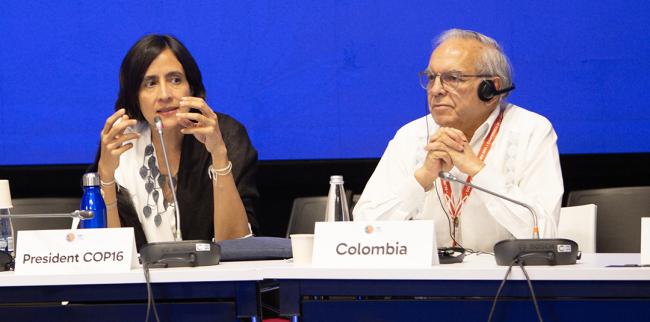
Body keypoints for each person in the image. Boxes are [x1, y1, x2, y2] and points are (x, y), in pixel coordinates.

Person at [353, 29, 563, 253]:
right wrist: (421, 178)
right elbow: (363, 231)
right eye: (431, 77)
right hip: (424, 282)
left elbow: (543, 233)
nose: (435, 90)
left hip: (503, 281)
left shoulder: (531, 131)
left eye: (452, 78)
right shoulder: (410, 136)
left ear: (491, 88)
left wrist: (478, 171)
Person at [91, 34, 258, 249]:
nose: (164, 94)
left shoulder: (226, 135)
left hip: (213, 278)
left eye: (175, 79)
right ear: (135, 96)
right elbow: (108, 253)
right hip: (141, 281)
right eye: (150, 83)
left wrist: (218, 156)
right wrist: (106, 178)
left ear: (192, 87)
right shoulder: (121, 146)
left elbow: (237, 246)